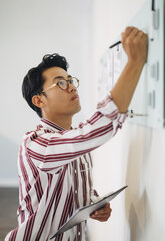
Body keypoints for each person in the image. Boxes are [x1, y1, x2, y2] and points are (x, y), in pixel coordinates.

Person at [5, 26, 148, 241]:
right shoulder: (35, 143)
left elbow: (74, 188)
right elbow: (90, 134)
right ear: (39, 100)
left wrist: (94, 205)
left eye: (71, 80)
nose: (71, 87)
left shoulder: (72, 140)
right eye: (61, 83)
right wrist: (135, 63)